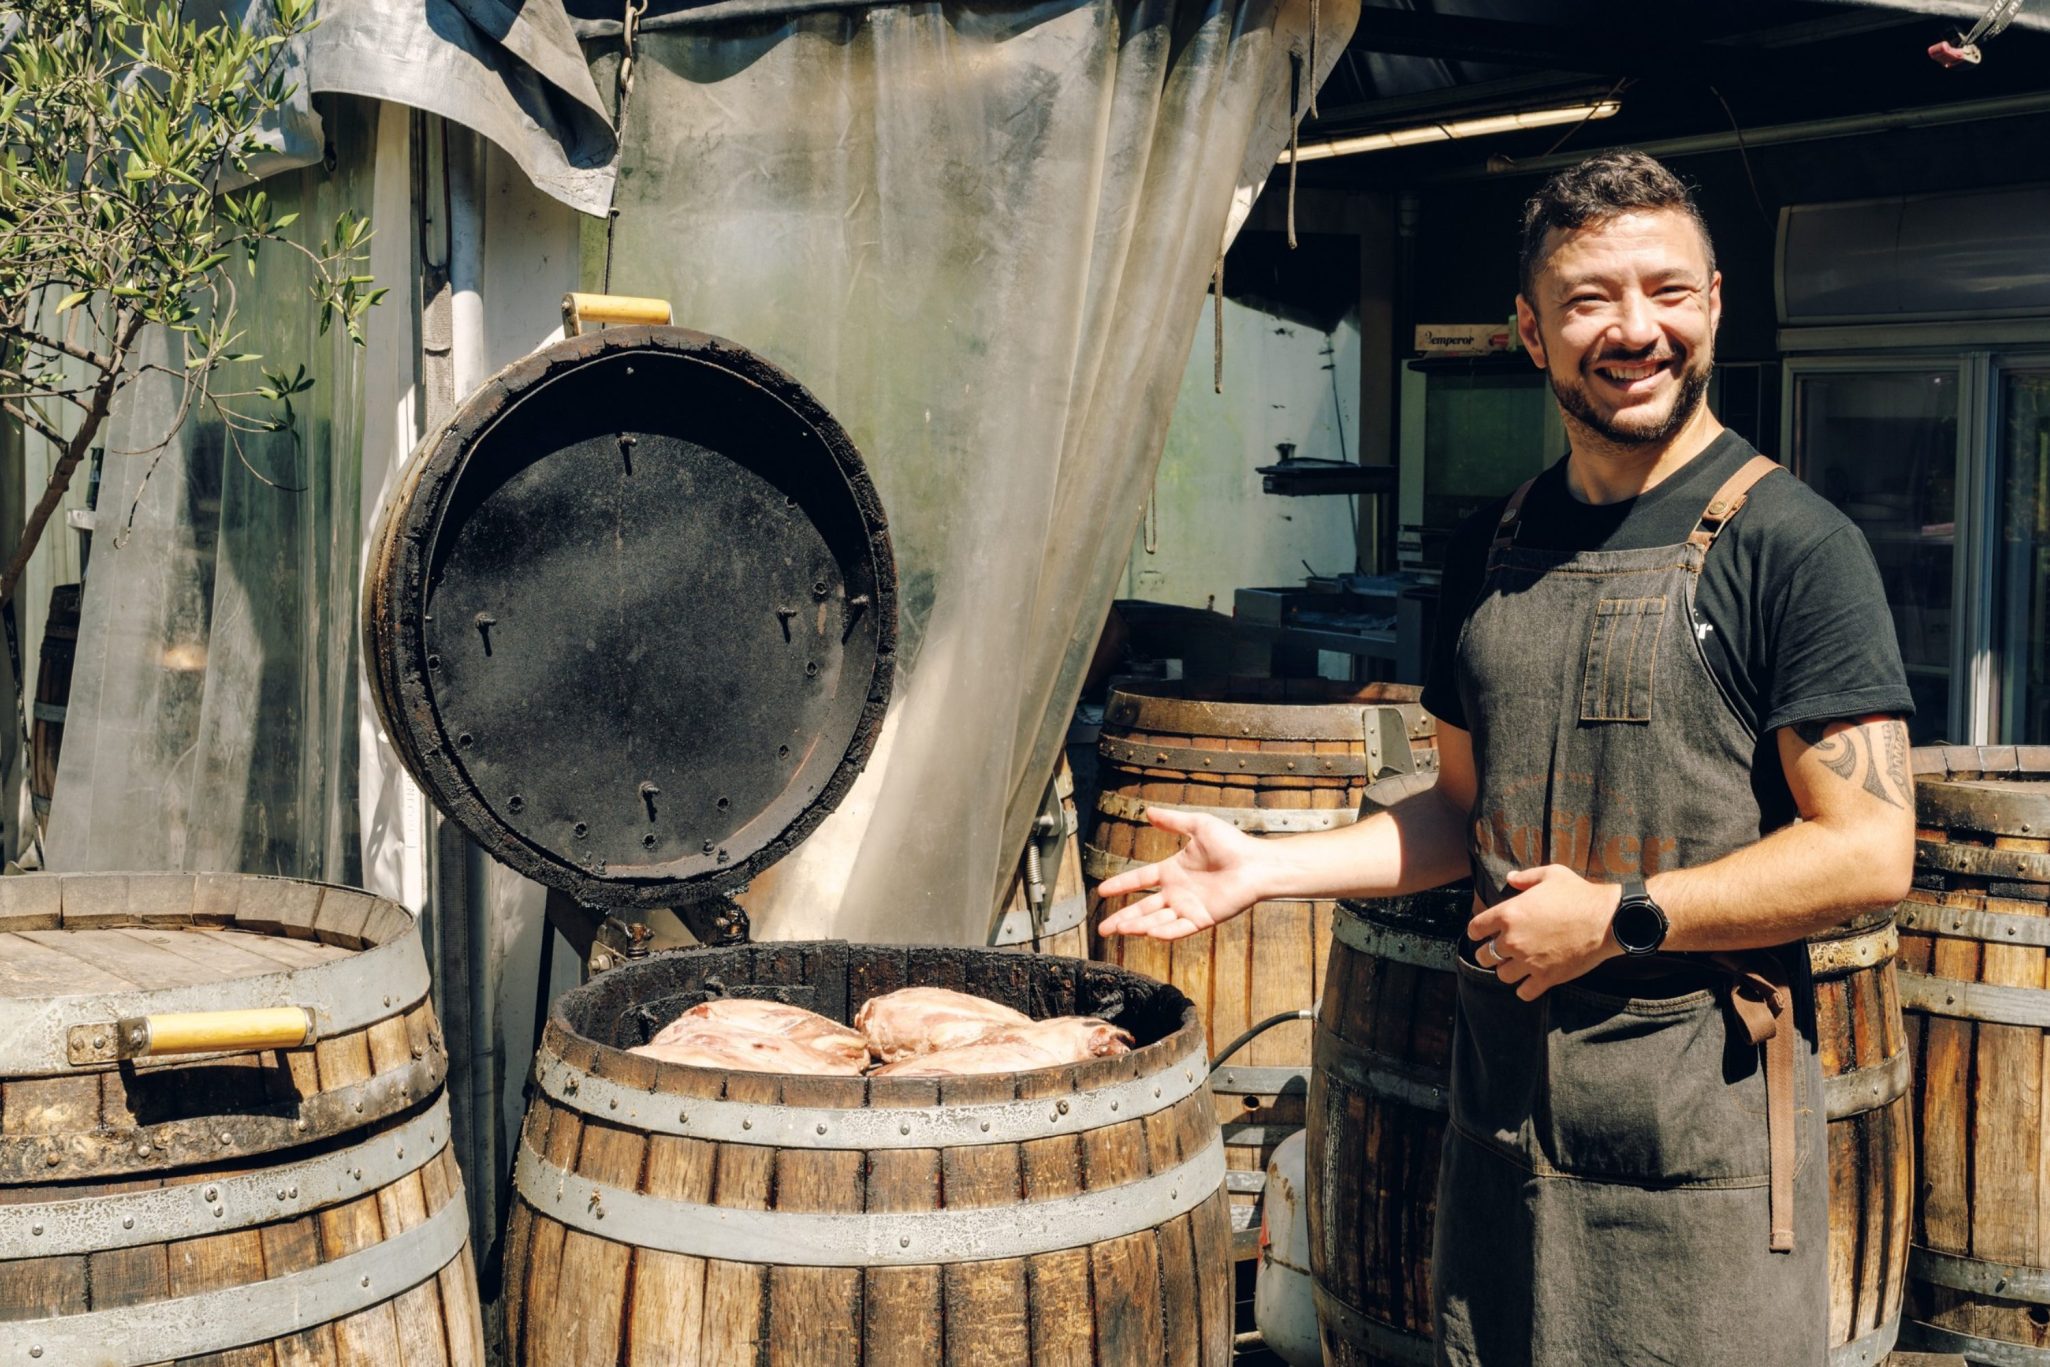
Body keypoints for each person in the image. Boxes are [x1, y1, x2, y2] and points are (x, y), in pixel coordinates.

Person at [1097, 150, 1915, 1366]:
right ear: (1530, 329)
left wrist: (1620, 916)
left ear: (1713, 303)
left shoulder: (1793, 547)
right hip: (1503, 1129)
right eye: (1590, 299)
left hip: (1704, 1133)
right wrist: (1267, 867)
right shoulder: (1493, 545)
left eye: (1667, 290)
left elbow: (1869, 851)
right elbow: (1460, 812)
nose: (1634, 329)